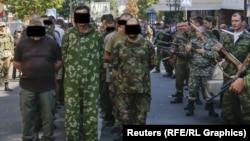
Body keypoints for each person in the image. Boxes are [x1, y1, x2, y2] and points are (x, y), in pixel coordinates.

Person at [13, 17, 62, 141]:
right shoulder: (22, 44)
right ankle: (29, 137)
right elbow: (16, 63)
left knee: (48, 115)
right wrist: (28, 71)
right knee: (28, 115)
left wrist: (48, 71)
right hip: (27, 86)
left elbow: (59, 61)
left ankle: (47, 137)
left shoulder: (51, 43)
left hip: (47, 86)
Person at [61, 5, 104, 141]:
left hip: (91, 83)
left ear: (89, 17)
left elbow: (102, 58)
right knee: (72, 115)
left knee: (90, 115)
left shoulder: (97, 35)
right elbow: (64, 56)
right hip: (72, 84)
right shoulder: (68, 34)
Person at [112, 17, 155, 141]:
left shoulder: (147, 45)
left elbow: (152, 64)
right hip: (124, 90)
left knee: (140, 120)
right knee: (125, 119)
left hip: (142, 90)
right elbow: (115, 64)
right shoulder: (119, 46)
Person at [214, 12, 250, 124]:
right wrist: (219, 50)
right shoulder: (227, 36)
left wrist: (244, 69)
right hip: (229, 76)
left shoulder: (248, 38)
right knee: (227, 108)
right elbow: (221, 57)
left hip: (243, 77)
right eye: (232, 21)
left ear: (243, 22)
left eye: (237, 21)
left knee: (244, 108)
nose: (234, 23)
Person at [185, 26, 219, 117]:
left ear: (203, 32)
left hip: (207, 71)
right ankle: (190, 108)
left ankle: (211, 110)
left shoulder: (211, 42)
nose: (196, 33)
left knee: (207, 91)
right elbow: (188, 57)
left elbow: (216, 55)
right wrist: (187, 51)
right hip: (195, 70)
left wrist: (203, 51)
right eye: (196, 31)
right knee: (192, 89)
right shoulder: (193, 41)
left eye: (198, 31)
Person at [170, 20, 190, 103]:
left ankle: (193, 97)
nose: (183, 27)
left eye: (185, 25)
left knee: (191, 80)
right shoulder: (178, 35)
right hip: (180, 60)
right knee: (179, 79)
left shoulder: (193, 35)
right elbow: (173, 45)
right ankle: (179, 95)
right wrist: (172, 50)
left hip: (190, 61)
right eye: (182, 26)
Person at [0, 22, 14, 91]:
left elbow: (12, 44)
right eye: (1, 26)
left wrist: (12, 54)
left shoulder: (8, 35)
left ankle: (6, 85)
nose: (2, 28)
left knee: (6, 69)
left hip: (7, 54)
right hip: (0, 54)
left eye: (3, 26)